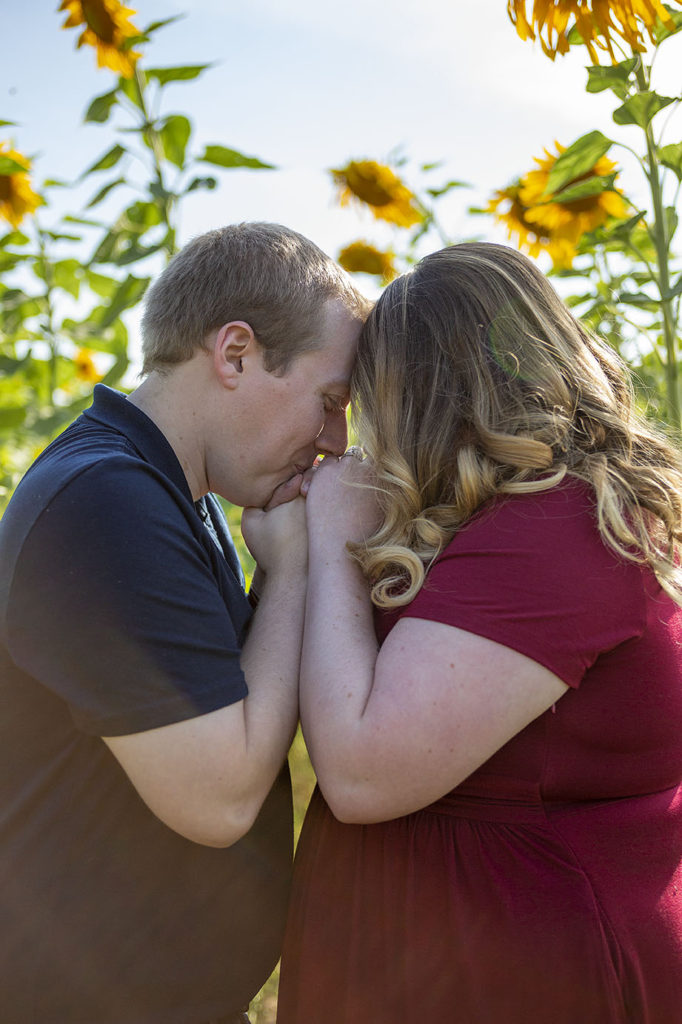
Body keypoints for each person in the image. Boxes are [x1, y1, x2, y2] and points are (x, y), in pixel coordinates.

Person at [276, 241, 682, 1024]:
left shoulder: (555, 528)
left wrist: (330, 540)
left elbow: (364, 774)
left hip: (518, 976)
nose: (347, 435)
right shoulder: (524, 515)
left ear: (420, 396)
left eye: (362, 400)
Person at [0, 222, 368, 1024]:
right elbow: (218, 799)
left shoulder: (169, 491)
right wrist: (295, 572)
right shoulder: (107, 503)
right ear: (234, 353)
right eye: (330, 401)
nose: (334, 443)